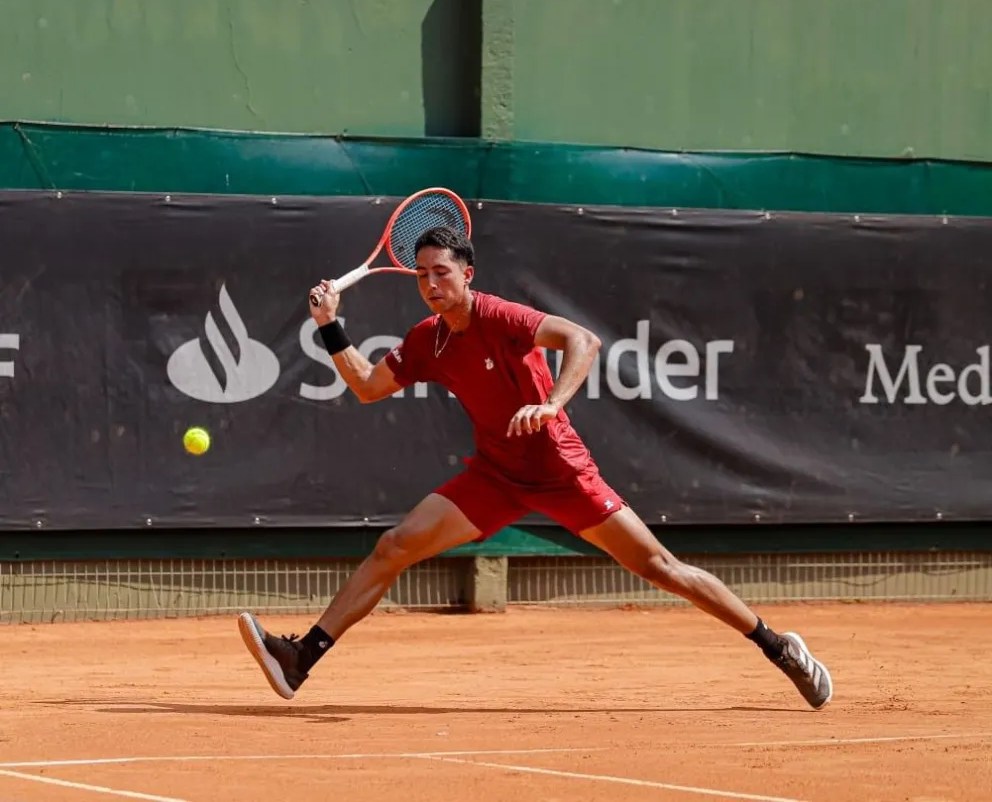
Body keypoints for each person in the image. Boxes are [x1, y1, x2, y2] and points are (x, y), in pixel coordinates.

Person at [237, 226, 833, 710]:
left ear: (467, 275)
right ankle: (301, 659)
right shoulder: (427, 340)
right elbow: (368, 387)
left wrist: (551, 404)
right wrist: (330, 326)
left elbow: (585, 341)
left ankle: (779, 648)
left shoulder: (502, 317)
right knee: (395, 546)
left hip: (560, 470)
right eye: (421, 275)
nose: (429, 284)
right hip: (495, 476)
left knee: (663, 568)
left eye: (441, 272)